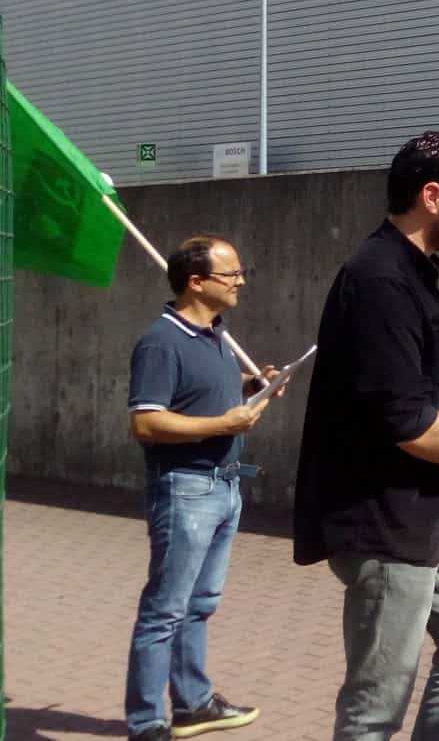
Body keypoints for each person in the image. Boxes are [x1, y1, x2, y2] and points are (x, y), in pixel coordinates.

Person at [294, 132, 439, 740]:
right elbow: (404, 423)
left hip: (429, 515)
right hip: (383, 524)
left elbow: (407, 395)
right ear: (433, 195)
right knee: (376, 706)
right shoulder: (379, 279)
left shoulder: (411, 274)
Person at [125, 235, 279, 741]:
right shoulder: (160, 342)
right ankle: (147, 722)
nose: (241, 282)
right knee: (164, 610)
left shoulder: (213, 333)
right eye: (230, 274)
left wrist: (251, 388)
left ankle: (192, 704)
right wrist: (223, 425)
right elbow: (147, 424)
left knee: (199, 604)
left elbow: (198, 395)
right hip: (185, 489)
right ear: (196, 281)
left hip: (224, 486)